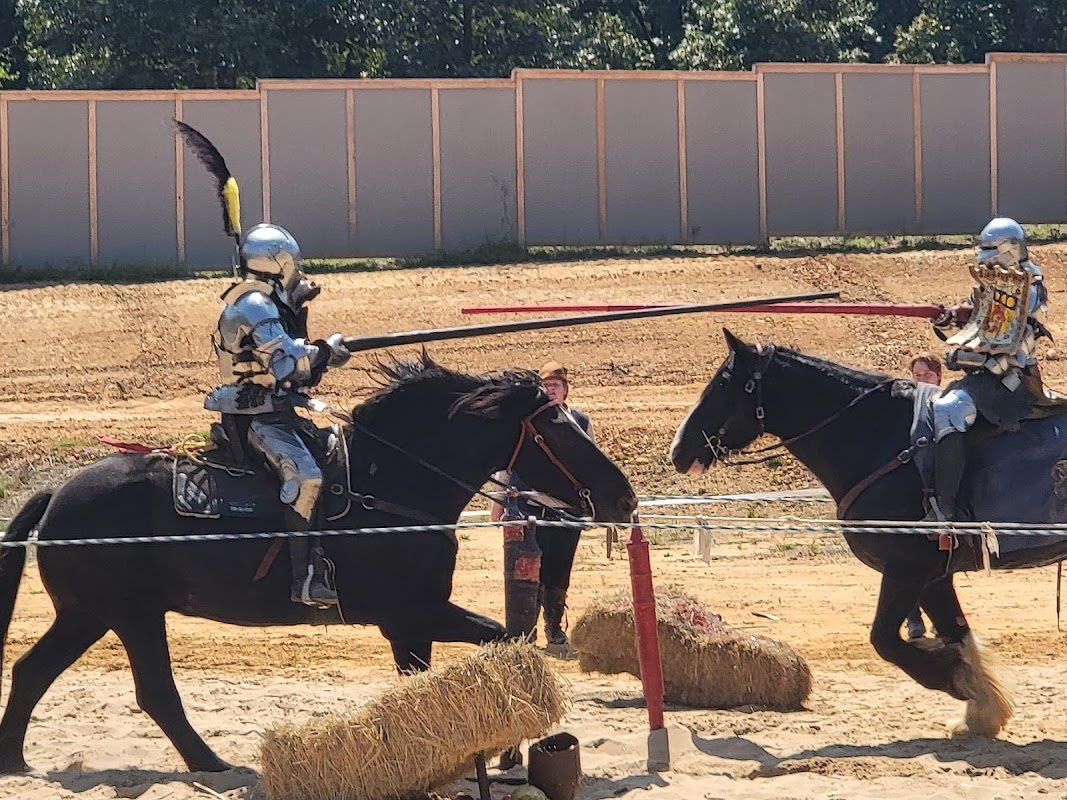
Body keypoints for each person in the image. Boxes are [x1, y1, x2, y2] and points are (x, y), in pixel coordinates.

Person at [206, 223, 351, 607]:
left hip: (275, 410)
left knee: (336, 452)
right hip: (253, 418)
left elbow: (291, 369)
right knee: (307, 478)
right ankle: (303, 580)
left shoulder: (266, 301)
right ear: (279, 264)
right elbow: (286, 366)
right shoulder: (254, 306)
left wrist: (315, 346)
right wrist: (325, 351)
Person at [927, 217, 1050, 523]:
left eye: (991, 250)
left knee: (949, 409)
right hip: (985, 378)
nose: (986, 257)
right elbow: (975, 325)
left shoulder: (1027, 289)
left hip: (1012, 380)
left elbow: (1007, 339)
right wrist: (948, 321)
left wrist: (965, 358)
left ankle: (946, 511)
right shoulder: (989, 286)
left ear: (1009, 249)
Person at [491, 361, 595, 647]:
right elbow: (507, 465)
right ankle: (527, 630)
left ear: (565, 390)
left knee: (560, 570)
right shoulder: (526, 422)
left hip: (567, 510)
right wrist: (499, 502)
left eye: (556, 386)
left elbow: (591, 468)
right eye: (546, 386)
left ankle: (554, 627)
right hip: (529, 508)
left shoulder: (581, 423)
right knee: (527, 572)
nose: (551, 391)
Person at [905, 354, 944, 639]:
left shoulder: (945, 406)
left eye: (926, 375)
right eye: (917, 376)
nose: (921, 380)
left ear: (938, 377)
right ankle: (913, 617)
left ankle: (935, 618)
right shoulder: (907, 408)